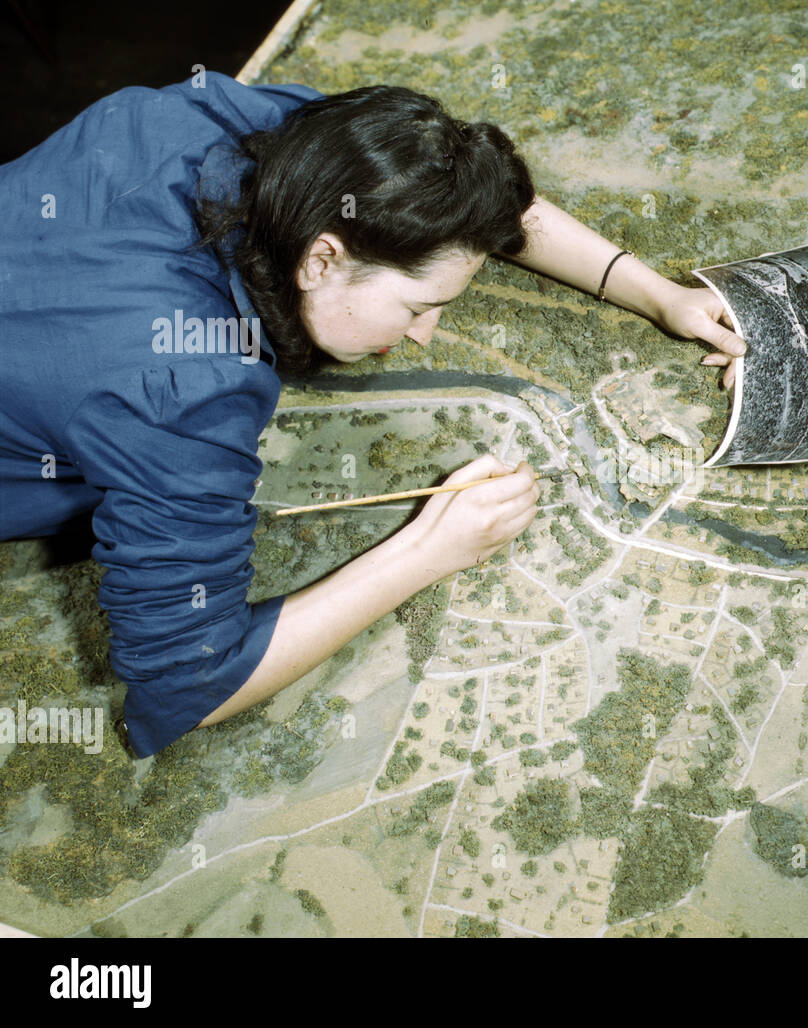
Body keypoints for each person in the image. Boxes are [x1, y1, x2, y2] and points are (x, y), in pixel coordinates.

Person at [0, 71, 746, 758]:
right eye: (421, 307)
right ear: (321, 260)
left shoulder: (241, 131)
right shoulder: (185, 395)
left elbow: (466, 201)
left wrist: (656, 295)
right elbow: (192, 687)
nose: (423, 336)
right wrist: (430, 549)